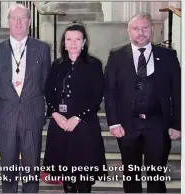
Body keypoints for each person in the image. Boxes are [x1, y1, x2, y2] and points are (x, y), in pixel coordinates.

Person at [104, 13, 181, 193]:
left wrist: (177, 123)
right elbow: (110, 92)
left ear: (152, 30)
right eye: (136, 28)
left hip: (157, 124)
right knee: (131, 177)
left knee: (156, 176)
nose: (141, 32)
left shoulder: (168, 55)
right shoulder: (116, 56)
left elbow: (177, 92)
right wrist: (113, 122)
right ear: (129, 31)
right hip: (127, 124)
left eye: (145, 28)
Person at [0, 4, 51, 193]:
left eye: (23, 18)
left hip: (32, 115)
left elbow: (46, 81)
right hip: (7, 116)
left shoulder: (42, 49)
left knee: (31, 167)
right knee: (8, 165)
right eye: (14, 18)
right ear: (8, 22)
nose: (18, 22)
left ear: (29, 22)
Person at [42, 23, 107, 193]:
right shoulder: (57, 65)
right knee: (67, 175)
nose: (73, 43)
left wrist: (77, 117)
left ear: (84, 42)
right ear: (64, 42)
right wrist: (55, 114)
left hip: (84, 126)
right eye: (69, 39)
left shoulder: (94, 65)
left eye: (77, 39)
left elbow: (97, 96)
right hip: (60, 125)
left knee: (84, 177)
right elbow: (48, 92)